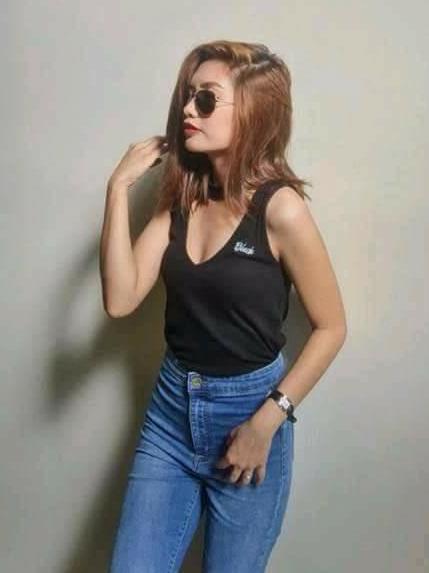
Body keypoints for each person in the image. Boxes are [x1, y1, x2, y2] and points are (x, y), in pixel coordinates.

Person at [100, 40, 347, 573]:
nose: (189, 110)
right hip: (171, 415)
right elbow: (120, 299)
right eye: (189, 97)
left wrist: (266, 423)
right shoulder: (181, 197)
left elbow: (332, 327)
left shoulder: (281, 210)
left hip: (250, 414)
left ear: (254, 112)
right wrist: (118, 188)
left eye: (207, 99)